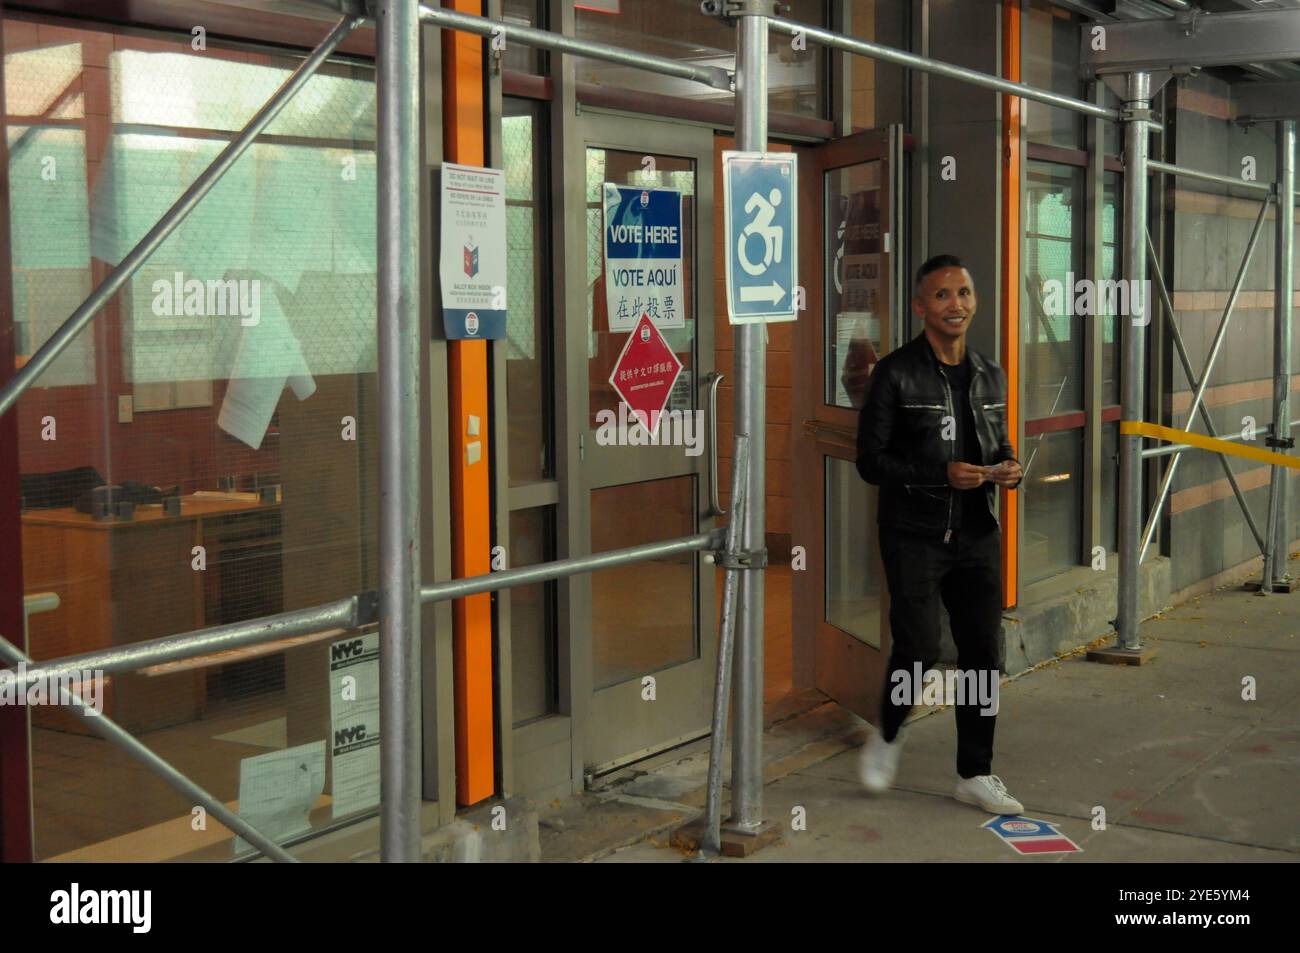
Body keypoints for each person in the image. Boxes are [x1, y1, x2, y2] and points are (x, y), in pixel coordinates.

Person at [854, 253, 1026, 815]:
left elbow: (997, 441)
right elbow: (870, 462)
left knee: (983, 652)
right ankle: (888, 733)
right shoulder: (895, 372)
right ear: (921, 307)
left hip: (977, 531)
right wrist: (938, 474)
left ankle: (975, 772)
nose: (957, 304)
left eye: (965, 292)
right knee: (920, 649)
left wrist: (1009, 466)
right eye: (944, 295)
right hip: (914, 534)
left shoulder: (989, 372)